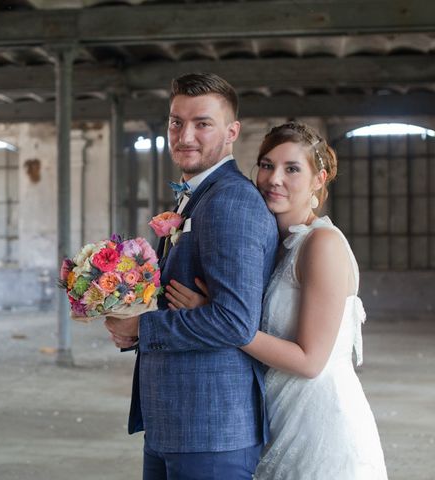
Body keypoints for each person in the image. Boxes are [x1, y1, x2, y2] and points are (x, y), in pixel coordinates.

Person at [166, 122, 388, 479]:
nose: (273, 179)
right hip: (275, 413)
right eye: (267, 165)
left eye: (292, 169)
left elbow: (310, 361)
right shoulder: (280, 242)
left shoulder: (322, 244)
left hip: (316, 423)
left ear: (320, 179)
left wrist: (217, 317)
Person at [104, 73, 279, 479]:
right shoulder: (197, 196)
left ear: (232, 132)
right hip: (175, 420)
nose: (185, 136)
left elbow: (235, 322)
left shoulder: (231, 201)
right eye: (176, 122)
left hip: (212, 428)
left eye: (203, 124)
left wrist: (142, 328)